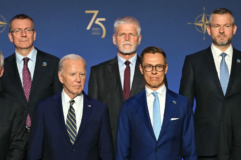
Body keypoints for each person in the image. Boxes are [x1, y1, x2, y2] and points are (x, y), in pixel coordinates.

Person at [88, 16, 167, 148]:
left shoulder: (154, 71)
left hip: (145, 148)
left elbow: (162, 113)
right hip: (109, 148)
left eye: (131, 34)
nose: (127, 39)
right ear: (114, 39)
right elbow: (92, 117)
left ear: (139, 39)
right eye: (122, 34)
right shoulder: (98, 72)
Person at [179, 8, 241, 160]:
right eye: (216, 26)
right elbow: (184, 107)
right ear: (208, 30)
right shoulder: (194, 62)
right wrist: (184, 144)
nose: (221, 30)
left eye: (226, 26)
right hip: (205, 147)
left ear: (234, 29)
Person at [117, 46, 197, 160]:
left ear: (166, 69)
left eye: (159, 66)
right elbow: (122, 153)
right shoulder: (128, 107)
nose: (154, 71)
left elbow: (190, 151)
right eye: (149, 66)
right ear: (141, 69)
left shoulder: (182, 104)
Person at [28, 54, 113, 160]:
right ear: (61, 77)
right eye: (72, 74)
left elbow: (106, 153)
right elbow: (35, 152)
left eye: (82, 74)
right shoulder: (44, 108)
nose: (78, 79)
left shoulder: (99, 109)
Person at [0, 14, 62, 154]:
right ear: (10, 37)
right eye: (18, 31)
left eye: (27, 30)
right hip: (12, 141)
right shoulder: (1, 67)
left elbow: (59, 102)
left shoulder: (53, 64)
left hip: (45, 138)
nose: (23, 34)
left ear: (34, 35)